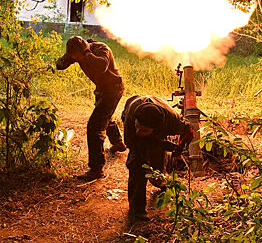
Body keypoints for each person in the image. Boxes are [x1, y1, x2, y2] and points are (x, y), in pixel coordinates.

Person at [56, 36, 127, 181]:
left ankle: (96, 168)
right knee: (105, 116)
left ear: (84, 49)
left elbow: (102, 66)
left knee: (95, 126)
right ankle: (118, 143)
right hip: (101, 88)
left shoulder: (101, 48)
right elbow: (59, 65)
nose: (76, 59)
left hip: (113, 88)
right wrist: (66, 58)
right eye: (74, 56)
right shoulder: (75, 53)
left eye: (77, 56)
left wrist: (87, 54)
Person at [122, 95, 194, 221]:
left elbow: (189, 131)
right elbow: (132, 143)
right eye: (137, 126)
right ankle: (137, 209)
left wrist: (180, 147)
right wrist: (158, 144)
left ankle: (160, 181)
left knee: (158, 158)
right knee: (137, 164)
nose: (138, 131)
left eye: (143, 130)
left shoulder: (174, 122)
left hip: (160, 124)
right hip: (133, 107)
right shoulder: (132, 117)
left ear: (157, 129)